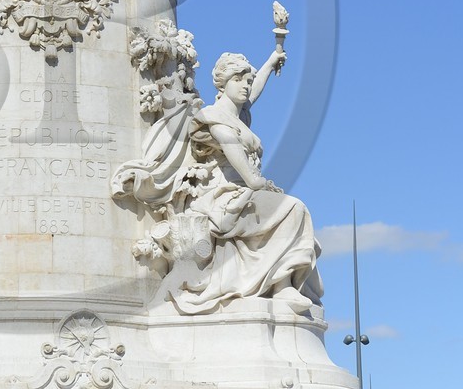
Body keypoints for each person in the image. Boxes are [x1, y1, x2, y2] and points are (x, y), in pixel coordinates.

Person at [112, 45, 323, 318]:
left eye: (247, 80)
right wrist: (262, 184)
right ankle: (282, 285)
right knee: (293, 208)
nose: (245, 85)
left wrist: (271, 62)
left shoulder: (238, 115)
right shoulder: (216, 120)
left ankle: (283, 285)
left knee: (289, 209)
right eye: (238, 79)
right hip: (222, 193)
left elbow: (253, 93)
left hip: (241, 190)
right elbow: (249, 176)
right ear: (222, 84)